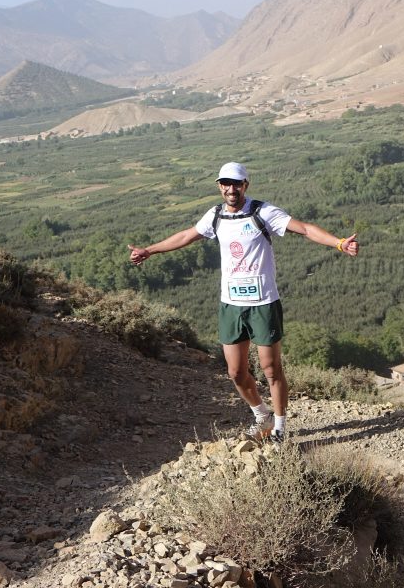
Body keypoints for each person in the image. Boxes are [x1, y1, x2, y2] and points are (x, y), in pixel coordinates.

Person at [128, 162, 359, 443]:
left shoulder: (262, 212)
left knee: (271, 369)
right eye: (226, 183)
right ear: (219, 186)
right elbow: (187, 235)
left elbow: (305, 229)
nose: (231, 189)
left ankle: (279, 428)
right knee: (236, 372)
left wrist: (338, 243)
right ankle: (262, 415)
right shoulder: (215, 216)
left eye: (236, 183)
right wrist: (150, 250)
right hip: (231, 304)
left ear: (245, 185)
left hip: (263, 303)